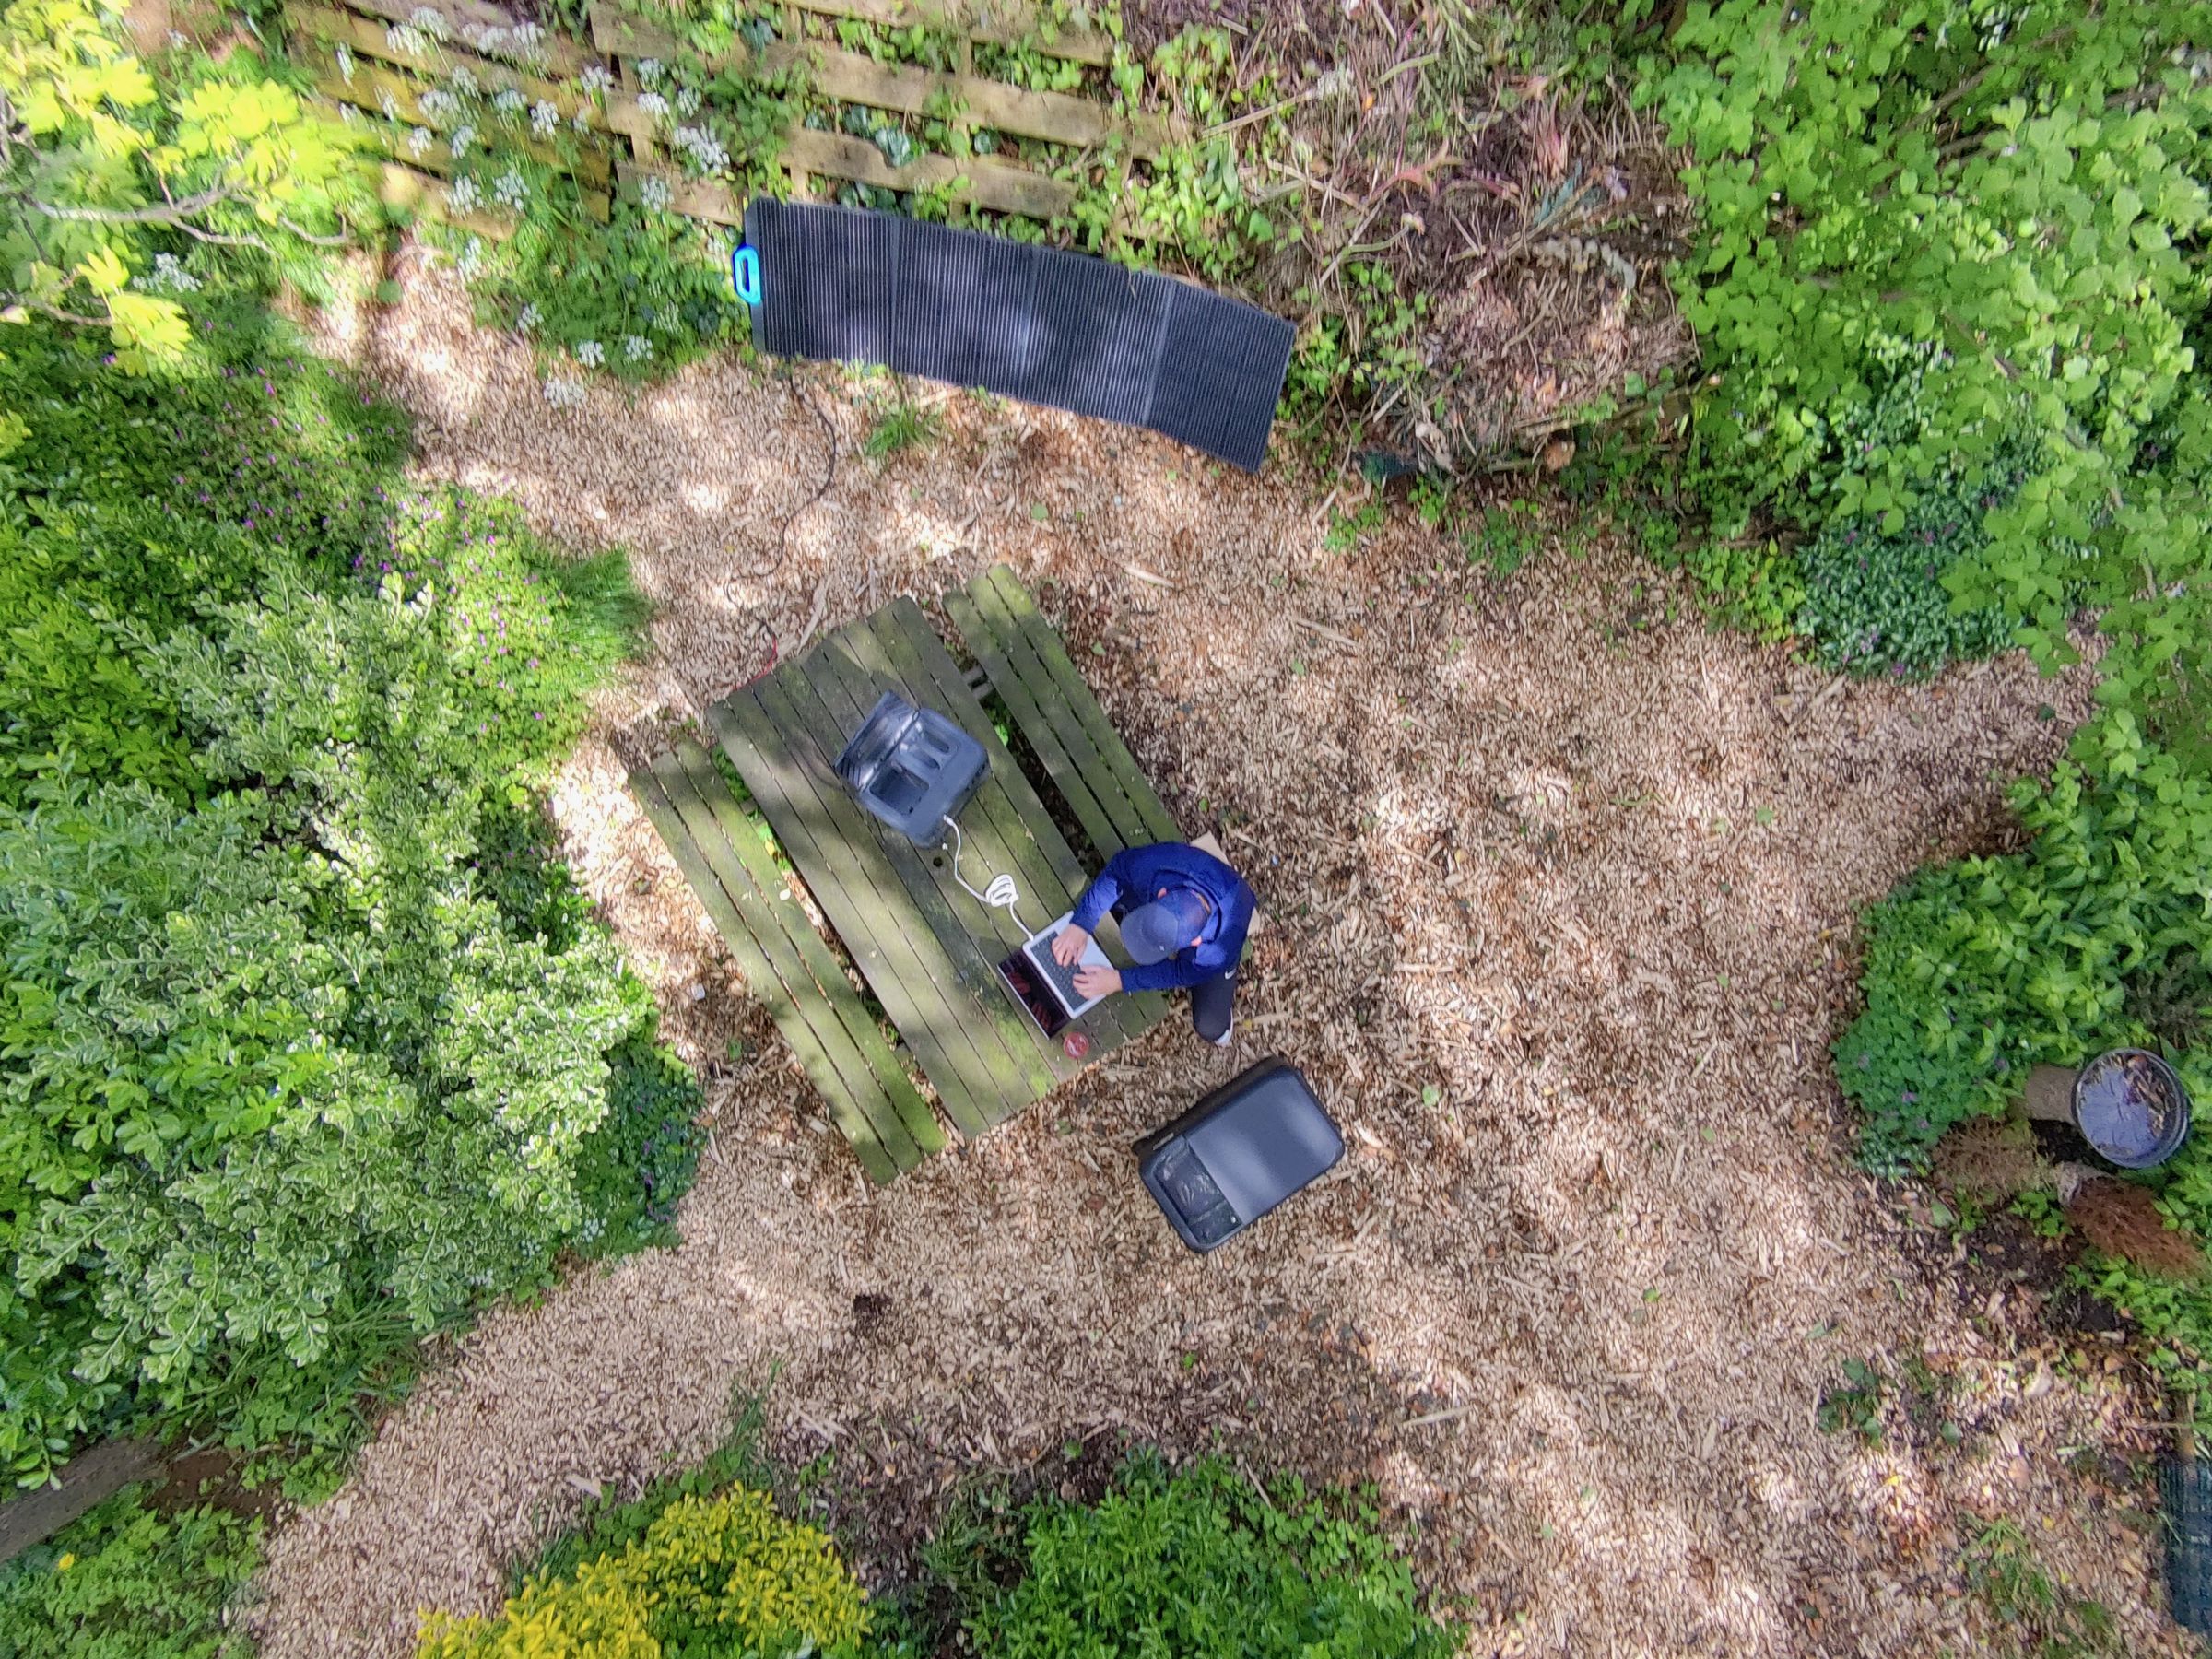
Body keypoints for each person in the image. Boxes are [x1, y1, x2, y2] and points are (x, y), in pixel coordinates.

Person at [1051, 840, 1254, 1046]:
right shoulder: (1159, 865)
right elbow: (1118, 869)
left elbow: (1178, 973)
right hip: (1191, 870)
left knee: (1211, 1027)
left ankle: (1227, 974)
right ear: (1162, 894)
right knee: (1122, 899)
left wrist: (1119, 981)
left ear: (1195, 941)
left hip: (1216, 947)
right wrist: (1081, 924)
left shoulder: (1215, 951)